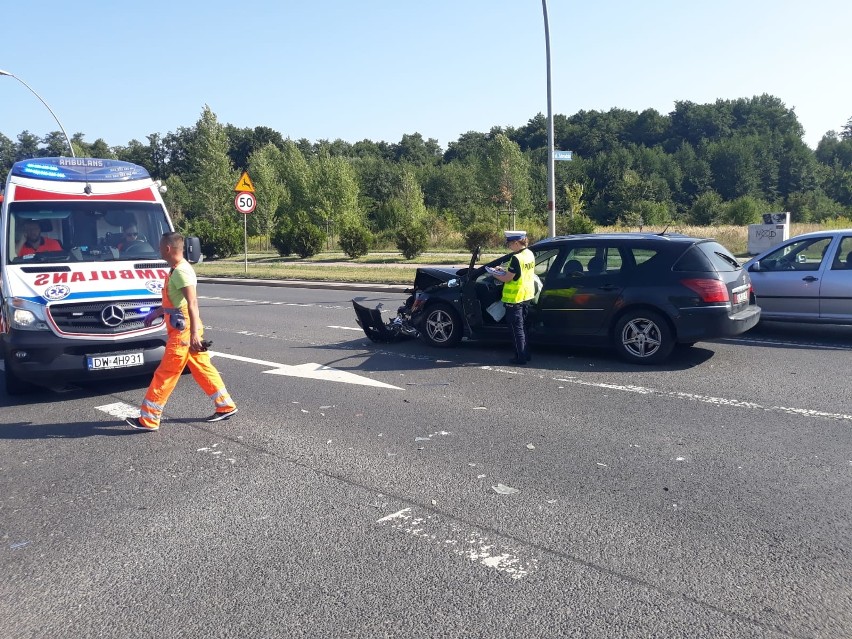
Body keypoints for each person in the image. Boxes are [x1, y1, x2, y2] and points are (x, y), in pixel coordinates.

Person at [126, 231, 238, 431]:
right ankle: (225, 405)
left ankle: (149, 419)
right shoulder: (176, 269)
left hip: (183, 332)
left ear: (168, 249)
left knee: (166, 373)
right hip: (184, 329)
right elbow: (176, 302)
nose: (158, 250)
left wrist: (194, 334)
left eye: (160, 247)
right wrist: (156, 313)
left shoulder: (181, 272)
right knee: (202, 367)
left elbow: (192, 303)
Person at [491, 230, 536, 365]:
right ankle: (526, 354)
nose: (509, 246)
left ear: (516, 242)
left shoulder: (517, 258)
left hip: (515, 298)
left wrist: (494, 273)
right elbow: (517, 274)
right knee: (523, 328)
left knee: (517, 330)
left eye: (510, 244)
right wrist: (502, 270)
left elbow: (507, 278)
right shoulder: (529, 254)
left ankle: (520, 357)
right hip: (526, 296)